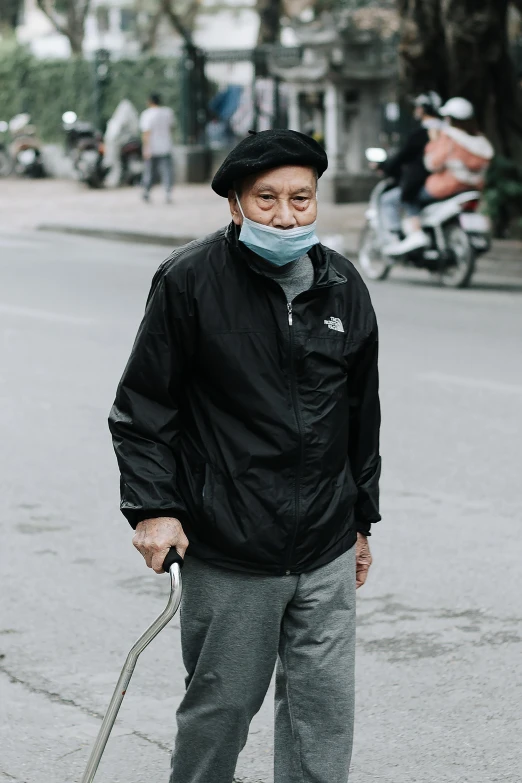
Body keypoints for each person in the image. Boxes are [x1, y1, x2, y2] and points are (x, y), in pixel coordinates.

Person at [109, 129, 381, 783]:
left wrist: (360, 520)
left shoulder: (343, 285)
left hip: (324, 544)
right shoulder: (189, 281)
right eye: (266, 199)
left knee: (323, 717)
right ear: (235, 204)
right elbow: (144, 408)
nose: (286, 215)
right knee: (221, 712)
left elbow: (359, 416)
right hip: (230, 545)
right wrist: (154, 507)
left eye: (301, 198)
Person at [386, 97, 494, 256]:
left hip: (445, 187)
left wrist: (434, 143)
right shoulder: (480, 140)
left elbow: (432, 163)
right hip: (472, 187)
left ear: (450, 118)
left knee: (409, 195)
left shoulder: (449, 137)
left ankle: (416, 233)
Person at [378, 91, 443, 242]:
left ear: (423, 109)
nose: (416, 111)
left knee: (390, 200)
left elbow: (403, 156)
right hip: (444, 182)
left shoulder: (422, 133)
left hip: (424, 183)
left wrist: (386, 167)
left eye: (418, 107)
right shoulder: (448, 131)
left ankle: (397, 238)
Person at [140, 93, 175, 203]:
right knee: (167, 171)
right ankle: (167, 193)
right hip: (165, 145)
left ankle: (146, 192)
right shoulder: (168, 112)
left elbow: (146, 133)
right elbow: (171, 128)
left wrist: (146, 148)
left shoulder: (147, 114)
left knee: (149, 171)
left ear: (150, 101)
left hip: (152, 147)